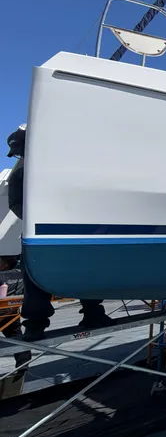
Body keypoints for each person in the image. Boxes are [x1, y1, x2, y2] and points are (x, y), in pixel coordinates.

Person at [7, 126, 114, 341]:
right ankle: (84, 314)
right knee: (77, 272)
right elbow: (17, 204)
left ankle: (38, 325)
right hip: (53, 230)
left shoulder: (27, 169)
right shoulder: (32, 169)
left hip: (46, 230)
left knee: (40, 277)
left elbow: (16, 204)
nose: (19, 154)